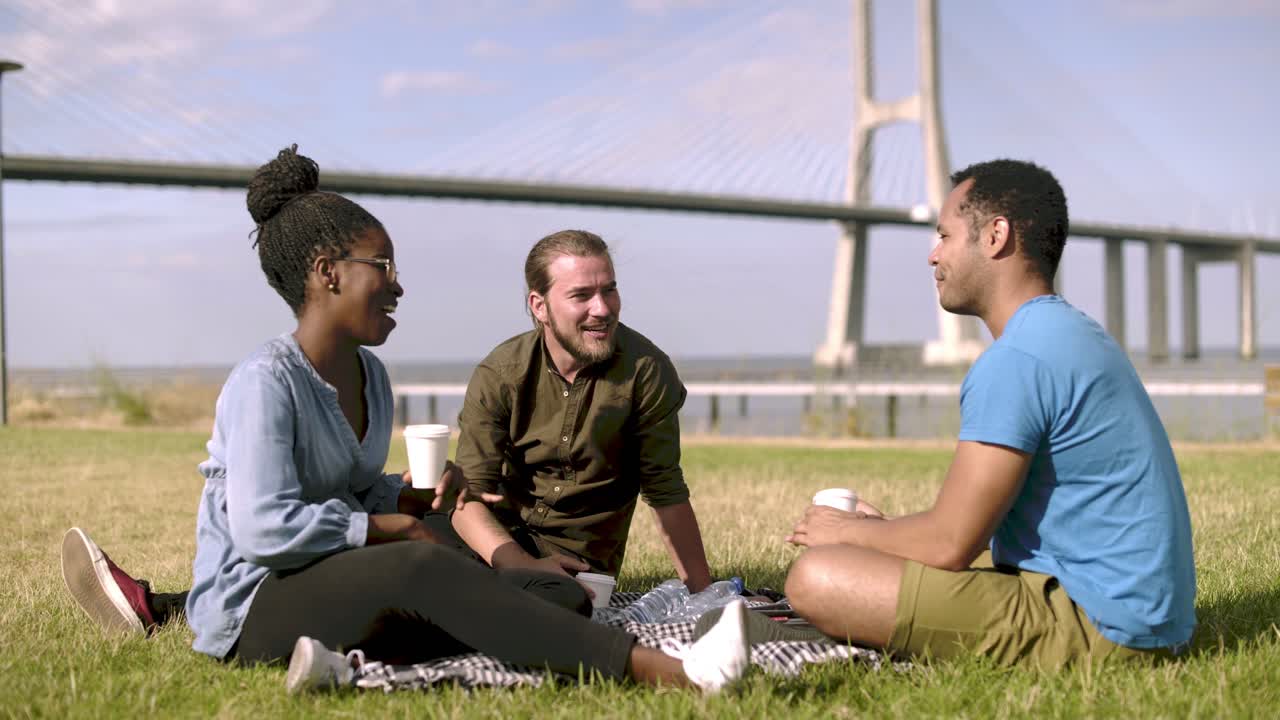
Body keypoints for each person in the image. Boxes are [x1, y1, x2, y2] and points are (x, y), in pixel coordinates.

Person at [60, 145, 750, 694]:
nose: (398, 283)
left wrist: (410, 495)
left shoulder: (371, 376)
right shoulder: (264, 382)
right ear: (328, 272)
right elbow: (264, 528)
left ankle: (352, 666)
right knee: (420, 562)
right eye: (383, 265)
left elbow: (355, 488)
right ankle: (674, 671)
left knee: (548, 593)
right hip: (256, 604)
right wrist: (389, 527)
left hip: (331, 578)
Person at [783, 159, 1196, 668]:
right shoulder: (1070, 333)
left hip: (1103, 628)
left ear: (996, 235)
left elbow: (949, 544)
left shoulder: (1017, 358)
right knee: (866, 555)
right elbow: (969, 534)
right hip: (1142, 617)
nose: (933, 255)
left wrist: (844, 533)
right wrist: (881, 533)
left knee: (818, 577)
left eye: (945, 236)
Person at [450, 230, 715, 592]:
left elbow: (665, 491)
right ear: (539, 306)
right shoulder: (500, 373)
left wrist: (705, 595)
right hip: (496, 545)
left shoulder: (646, 371)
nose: (603, 309)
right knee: (413, 540)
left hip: (575, 568)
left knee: (553, 603)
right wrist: (520, 564)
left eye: (609, 289)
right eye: (581, 295)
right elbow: (468, 498)